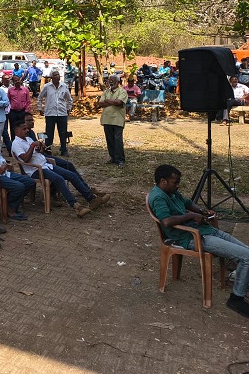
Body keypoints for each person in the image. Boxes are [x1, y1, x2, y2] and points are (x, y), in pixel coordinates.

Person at [149, 164, 249, 318]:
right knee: (246, 257)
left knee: (247, 253)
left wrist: (201, 211)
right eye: (175, 182)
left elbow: (187, 202)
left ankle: (243, 280)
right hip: (191, 237)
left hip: (205, 231)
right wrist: (190, 216)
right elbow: (166, 222)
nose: (178, 185)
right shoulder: (158, 197)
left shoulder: (171, 192)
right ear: (163, 181)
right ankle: (236, 298)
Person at [11, 120, 110, 217]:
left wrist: (40, 148)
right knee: (59, 179)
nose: (27, 130)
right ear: (17, 131)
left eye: (27, 128)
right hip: (36, 170)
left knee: (72, 175)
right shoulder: (16, 143)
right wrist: (33, 146)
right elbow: (26, 159)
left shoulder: (28, 139)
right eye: (24, 129)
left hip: (46, 165)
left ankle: (91, 199)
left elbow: (38, 153)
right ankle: (76, 206)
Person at [37, 71, 73, 157]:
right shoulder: (47, 87)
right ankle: (47, 149)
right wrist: (40, 108)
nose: (57, 76)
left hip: (62, 113)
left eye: (58, 75)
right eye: (55, 75)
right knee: (49, 133)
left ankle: (63, 149)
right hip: (50, 113)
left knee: (63, 132)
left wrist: (68, 108)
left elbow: (69, 99)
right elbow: (40, 97)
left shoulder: (64, 86)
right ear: (51, 77)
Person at [98, 75, 128, 167]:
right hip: (107, 119)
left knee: (118, 140)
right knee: (109, 140)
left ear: (118, 82)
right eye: (110, 80)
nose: (111, 82)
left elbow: (119, 103)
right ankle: (113, 158)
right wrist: (112, 101)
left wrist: (107, 101)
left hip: (117, 119)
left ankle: (120, 160)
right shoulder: (106, 91)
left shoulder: (122, 91)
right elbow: (100, 103)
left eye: (113, 80)